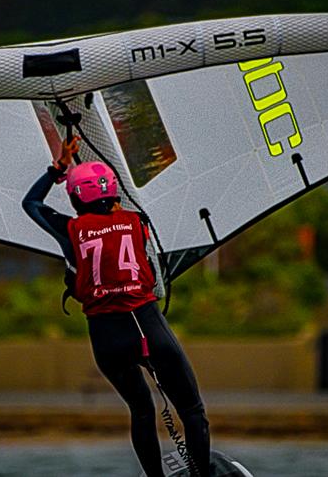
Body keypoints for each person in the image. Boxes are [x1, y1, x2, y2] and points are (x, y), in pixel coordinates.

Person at [22, 136, 211, 477]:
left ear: (76, 198)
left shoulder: (71, 230)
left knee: (141, 410)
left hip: (106, 338)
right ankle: (200, 476)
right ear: (112, 194)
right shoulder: (136, 220)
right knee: (192, 409)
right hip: (146, 325)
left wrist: (58, 168)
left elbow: (31, 204)